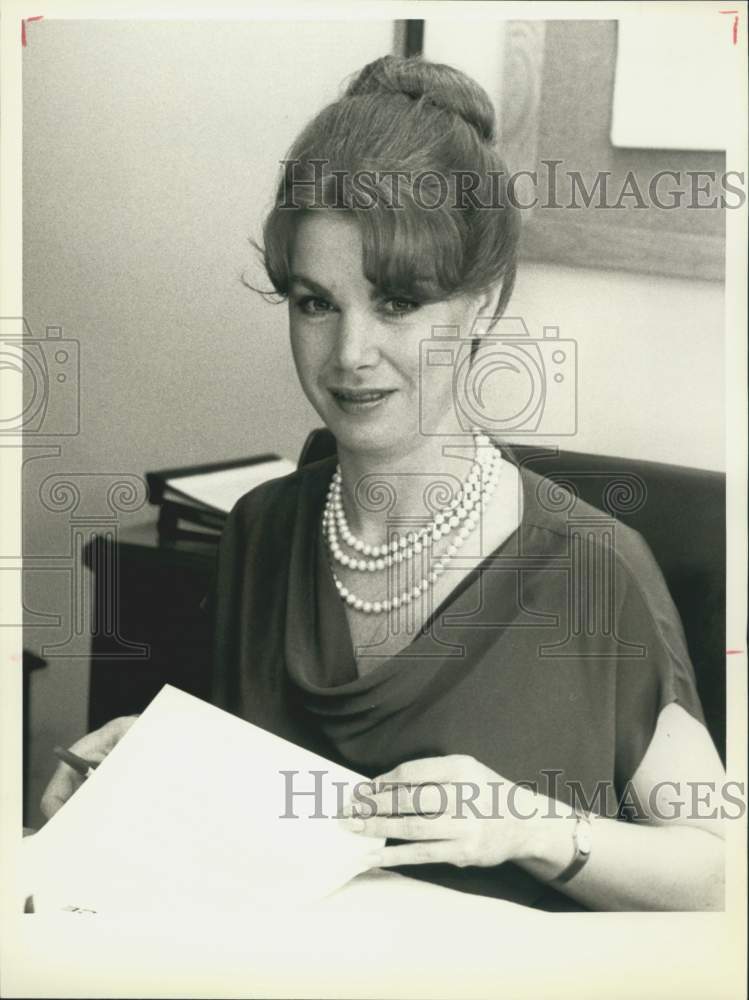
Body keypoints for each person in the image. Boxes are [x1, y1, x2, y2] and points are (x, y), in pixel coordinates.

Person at [42, 55, 725, 911]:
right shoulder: (263, 529)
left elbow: (720, 872)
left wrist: (526, 824)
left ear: (482, 305)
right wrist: (148, 771)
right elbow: (263, 813)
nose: (348, 355)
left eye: (396, 302)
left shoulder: (593, 568)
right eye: (314, 302)